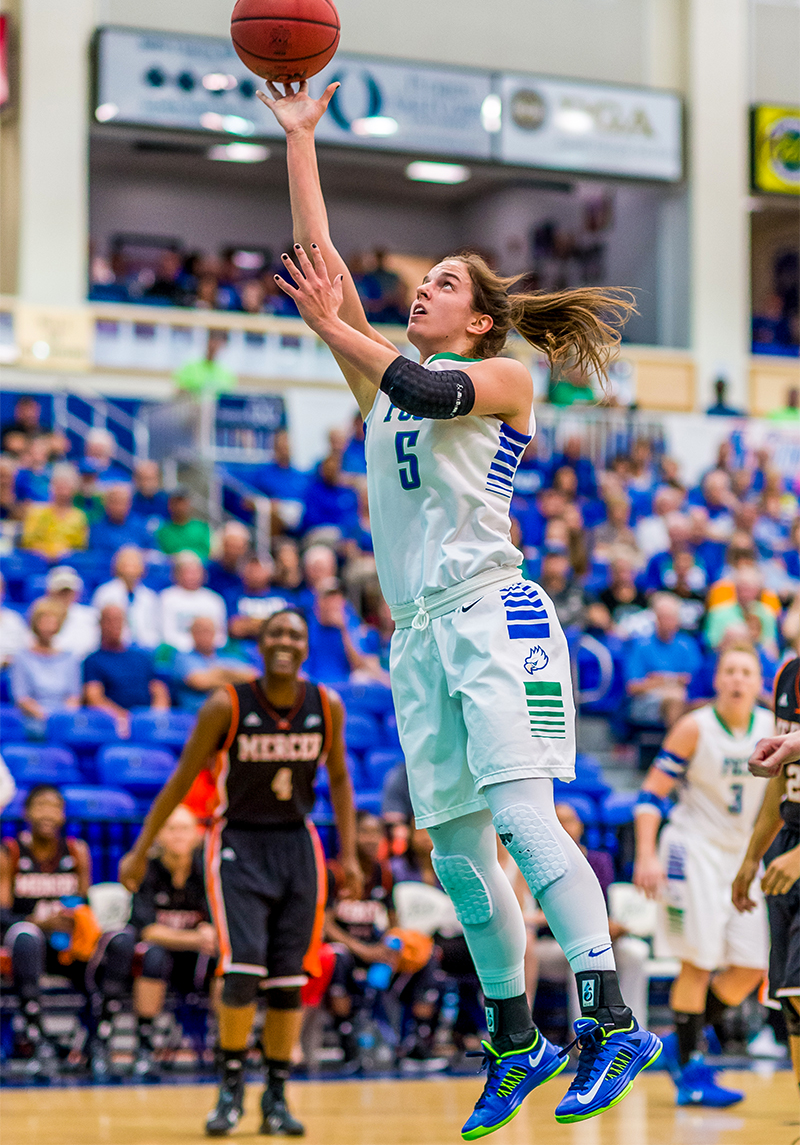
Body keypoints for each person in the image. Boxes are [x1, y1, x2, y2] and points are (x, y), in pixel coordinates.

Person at [258, 78, 661, 1134]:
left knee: (524, 817)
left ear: (477, 317)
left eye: (441, 281)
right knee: (454, 850)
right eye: (419, 281)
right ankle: (511, 1034)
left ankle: (610, 1017)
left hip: (496, 615)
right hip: (418, 634)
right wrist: (301, 140)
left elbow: (420, 386)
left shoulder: (501, 377)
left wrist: (338, 327)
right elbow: (327, 274)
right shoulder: (381, 381)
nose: (420, 290)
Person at [119, 608, 360, 1137]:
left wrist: (352, 854)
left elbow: (340, 779)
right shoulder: (226, 705)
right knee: (243, 970)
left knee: (290, 979)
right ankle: (230, 1090)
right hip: (237, 844)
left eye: (295, 635)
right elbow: (181, 781)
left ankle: (275, 1095)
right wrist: (140, 850)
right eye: (275, 632)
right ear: (260, 643)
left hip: (298, 843)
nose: (284, 642)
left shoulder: (326, 705)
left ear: (304, 647)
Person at [633, 644, 772, 1106]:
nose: (737, 680)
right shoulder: (694, 727)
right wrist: (646, 855)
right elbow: (650, 797)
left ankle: (678, 1042)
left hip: (744, 857)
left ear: (759, 683)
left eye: (745, 672)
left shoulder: (774, 730)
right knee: (698, 961)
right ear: (717, 681)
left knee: (752, 966)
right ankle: (692, 1072)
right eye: (729, 671)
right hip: (691, 851)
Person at [102, 805, 217, 1080]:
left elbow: (217, 925)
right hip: (156, 961)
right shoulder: (147, 870)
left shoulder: (208, 872)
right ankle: (144, 1046)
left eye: (185, 829)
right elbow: (148, 930)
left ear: (198, 835)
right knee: (153, 954)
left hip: (196, 961)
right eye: (171, 828)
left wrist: (209, 934)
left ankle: (227, 1050)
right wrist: (194, 937)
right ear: (158, 836)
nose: (178, 835)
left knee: (225, 961)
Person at [326, 811, 443, 1071]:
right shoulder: (335, 873)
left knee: (427, 956)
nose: (371, 839)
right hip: (345, 948)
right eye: (364, 832)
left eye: (375, 833)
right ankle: (349, 1047)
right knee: (338, 959)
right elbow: (324, 924)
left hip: (375, 949)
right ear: (349, 835)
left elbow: (393, 922)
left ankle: (416, 1042)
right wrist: (362, 950)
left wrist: (393, 944)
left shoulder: (383, 873)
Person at [733, 656, 800, 1092]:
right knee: (791, 1005)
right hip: (787, 840)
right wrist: (751, 856)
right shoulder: (789, 674)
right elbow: (782, 777)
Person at [0, 785, 92, 1073]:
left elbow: (85, 903)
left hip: (65, 945)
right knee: (28, 938)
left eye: (54, 807)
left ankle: (93, 1038)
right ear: (26, 813)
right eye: (40, 806)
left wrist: (77, 919)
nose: (47, 813)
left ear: (63, 815)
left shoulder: (77, 852)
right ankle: (34, 1035)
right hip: (22, 946)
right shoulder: (10, 852)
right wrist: (40, 923)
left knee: (104, 947)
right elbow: (2, 915)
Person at [533, 802, 649, 1029]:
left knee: (635, 954)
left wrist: (614, 927)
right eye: (557, 821)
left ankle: (633, 1031)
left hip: (597, 936)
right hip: (550, 944)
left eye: (569, 820)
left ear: (580, 827)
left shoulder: (599, 860)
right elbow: (533, 913)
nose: (564, 826)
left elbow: (602, 906)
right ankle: (586, 1038)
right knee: (584, 956)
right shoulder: (535, 864)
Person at [83, 605, 170, 735]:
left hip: (147, 721)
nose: (114, 625)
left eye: (119, 620)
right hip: (114, 725)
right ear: (100, 624)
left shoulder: (142, 657)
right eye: (109, 620)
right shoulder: (93, 660)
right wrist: (124, 718)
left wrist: (155, 717)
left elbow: (158, 689)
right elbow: (94, 697)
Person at [625, 593, 702, 728]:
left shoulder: (687, 645)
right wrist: (672, 681)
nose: (666, 623)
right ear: (655, 619)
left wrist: (660, 679)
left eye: (670, 618)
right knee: (674, 701)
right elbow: (633, 687)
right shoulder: (641, 646)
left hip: (684, 698)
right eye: (662, 618)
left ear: (678, 620)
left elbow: (694, 681)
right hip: (647, 702)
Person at [11, 599, 81, 734]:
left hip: (64, 720)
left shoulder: (70, 658)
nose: (48, 626)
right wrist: (48, 718)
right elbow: (22, 698)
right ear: (35, 623)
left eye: (52, 621)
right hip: (33, 720)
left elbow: (73, 697)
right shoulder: (22, 657)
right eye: (44, 621)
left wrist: (62, 719)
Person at [173, 617, 259, 714]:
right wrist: (235, 678)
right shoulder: (182, 658)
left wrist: (219, 674)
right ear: (192, 633)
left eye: (208, 630)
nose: (204, 634)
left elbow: (254, 677)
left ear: (215, 632)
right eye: (199, 630)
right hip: (196, 716)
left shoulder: (229, 656)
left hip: (234, 713)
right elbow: (200, 682)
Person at [91, 546, 162, 650]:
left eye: (135, 564)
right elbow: (96, 624)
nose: (130, 569)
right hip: (115, 647)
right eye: (126, 564)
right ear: (117, 566)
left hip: (146, 648)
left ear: (143, 568)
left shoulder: (149, 596)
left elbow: (155, 628)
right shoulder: (104, 592)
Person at [159, 552, 227, 655]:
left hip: (210, 653)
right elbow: (167, 635)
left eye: (195, 572)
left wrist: (205, 647)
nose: (191, 576)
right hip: (178, 653)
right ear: (177, 574)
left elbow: (221, 637)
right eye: (187, 572)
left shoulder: (214, 600)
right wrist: (194, 647)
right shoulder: (166, 598)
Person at [19, 462, 88, 562]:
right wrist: (48, 553)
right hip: (37, 561)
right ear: (52, 486)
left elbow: (81, 546)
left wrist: (64, 554)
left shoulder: (79, 516)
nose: (63, 491)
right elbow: (27, 542)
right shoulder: (36, 512)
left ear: (73, 489)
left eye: (66, 486)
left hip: (68, 563)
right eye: (59, 485)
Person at [45, 566, 100, 660]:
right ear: (50, 592)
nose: (64, 596)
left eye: (68, 592)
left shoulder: (91, 617)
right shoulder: (40, 617)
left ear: (76, 593)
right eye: (60, 591)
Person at [89, 483, 151, 556]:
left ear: (130, 504)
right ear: (106, 503)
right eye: (114, 501)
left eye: (122, 502)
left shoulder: (141, 526)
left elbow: (151, 554)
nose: (119, 507)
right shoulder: (96, 529)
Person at [174, 331, 236, 398]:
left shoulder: (226, 373)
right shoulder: (189, 367)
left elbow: (228, 397)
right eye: (211, 344)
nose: (214, 347)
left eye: (217, 345)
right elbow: (178, 391)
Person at [157, 489, 212, 560]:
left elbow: (208, 554)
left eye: (183, 502)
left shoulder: (202, 528)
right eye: (176, 503)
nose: (180, 507)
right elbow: (161, 556)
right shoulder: (163, 531)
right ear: (170, 506)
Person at [131, 460, 171, 533]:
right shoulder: (129, 503)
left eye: (151, 479)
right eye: (143, 479)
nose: (147, 483)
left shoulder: (167, 501)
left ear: (157, 479)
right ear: (135, 480)